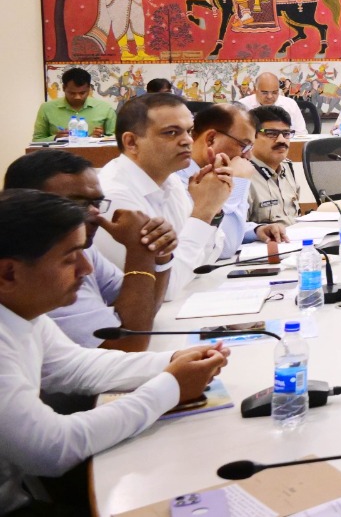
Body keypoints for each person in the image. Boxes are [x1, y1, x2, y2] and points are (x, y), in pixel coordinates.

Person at [0, 190, 229, 514]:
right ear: (8, 273)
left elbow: (75, 366)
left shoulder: (23, 312)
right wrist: (170, 387)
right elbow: (51, 448)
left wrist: (171, 362)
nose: (86, 269)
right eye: (70, 258)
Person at [3, 152, 177, 351]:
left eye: (97, 203)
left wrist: (159, 253)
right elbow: (128, 344)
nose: (95, 213)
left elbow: (146, 307)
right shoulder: (34, 267)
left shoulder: (83, 247)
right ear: (28, 202)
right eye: (78, 204)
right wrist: (140, 252)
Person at [96, 94, 234, 299]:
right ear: (131, 142)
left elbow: (206, 261)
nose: (187, 141)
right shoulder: (114, 196)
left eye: (188, 131)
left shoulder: (171, 180)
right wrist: (204, 212)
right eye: (171, 133)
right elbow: (162, 289)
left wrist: (213, 209)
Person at [192, 104, 289, 258]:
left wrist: (255, 230)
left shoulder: (211, 171)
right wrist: (238, 183)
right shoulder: (179, 181)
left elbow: (219, 229)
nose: (248, 156)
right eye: (244, 146)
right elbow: (226, 247)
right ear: (211, 139)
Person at [246, 106, 304, 234]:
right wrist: (257, 231)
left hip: (295, 240)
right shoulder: (241, 174)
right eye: (271, 133)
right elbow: (231, 230)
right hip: (264, 244)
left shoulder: (287, 167)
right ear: (251, 137)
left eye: (286, 133)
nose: (282, 140)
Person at [33, 68, 117, 141]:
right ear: (63, 88)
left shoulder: (105, 108)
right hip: (59, 154)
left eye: (82, 93)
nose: (77, 97)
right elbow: (37, 140)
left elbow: (116, 140)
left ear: (89, 89)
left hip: (95, 154)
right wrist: (55, 138)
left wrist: (101, 138)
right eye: (72, 93)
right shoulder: (47, 108)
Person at [236, 73, 308, 137]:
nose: (269, 96)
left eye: (274, 92)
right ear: (255, 90)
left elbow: (301, 134)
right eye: (264, 92)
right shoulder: (241, 106)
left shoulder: (290, 104)